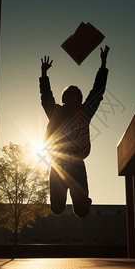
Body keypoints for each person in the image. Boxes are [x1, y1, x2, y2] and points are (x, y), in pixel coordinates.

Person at [39, 45, 109, 218]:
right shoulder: (55, 111)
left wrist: (103, 64)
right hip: (58, 163)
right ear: (63, 99)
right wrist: (44, 75)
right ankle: (61, 200)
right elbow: (46, 97)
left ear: (79, 99)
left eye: (74, 95)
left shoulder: (84, 112)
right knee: (56, 209)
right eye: (67, 95)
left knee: (81, 211)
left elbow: (97, 92)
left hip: (77, 164)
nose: (70, 98)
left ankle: (84, 201)